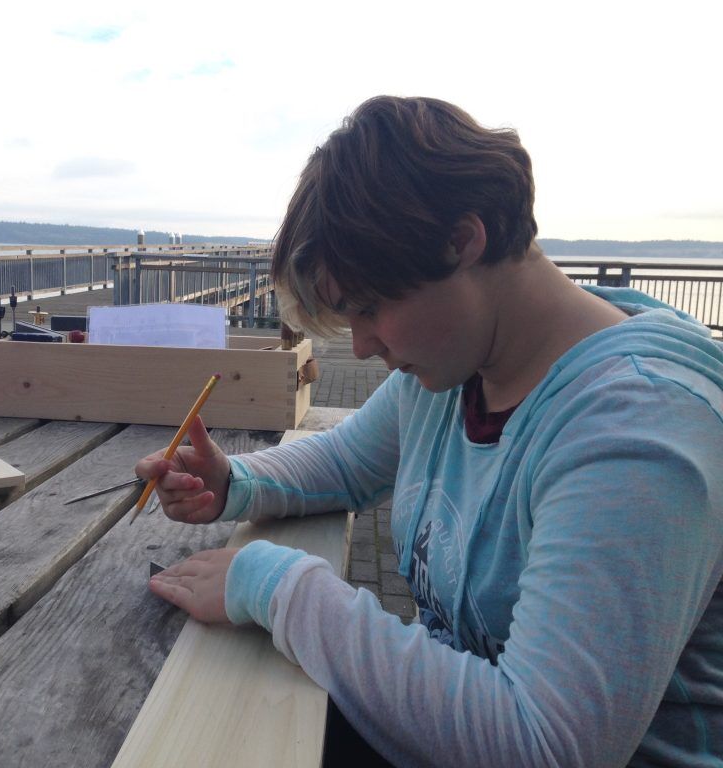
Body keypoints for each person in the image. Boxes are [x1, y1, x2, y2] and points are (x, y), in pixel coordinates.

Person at [135, 96, 723, 766]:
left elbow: (544, 745)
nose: (361, 347)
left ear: (462, 242)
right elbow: (346, 463)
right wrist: (233, 481)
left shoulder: (638, 429)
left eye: (370, 308)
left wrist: (283, 590)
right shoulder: (458, 368)